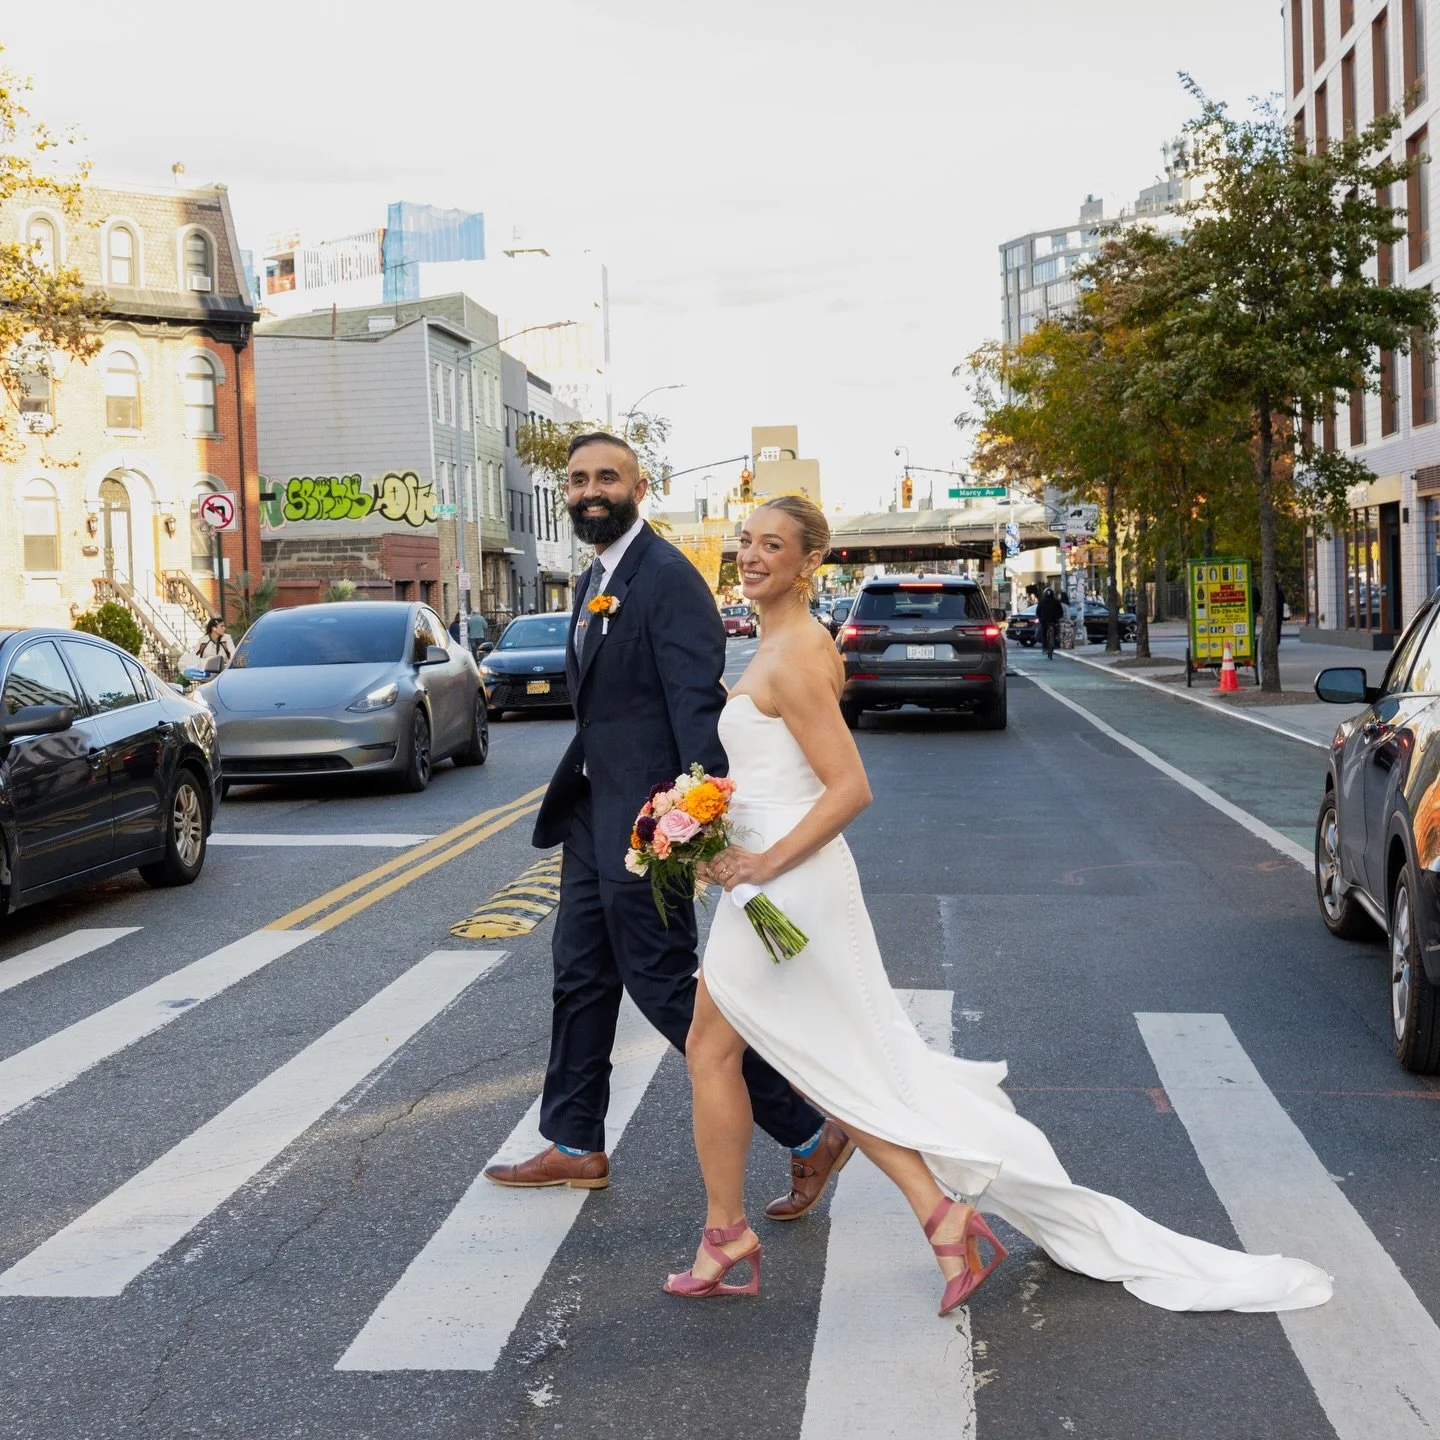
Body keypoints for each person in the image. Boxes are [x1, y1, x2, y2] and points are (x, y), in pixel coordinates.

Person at [664, 493, 1332, 1317]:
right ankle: (880, 1221)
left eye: (774, 544)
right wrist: (702, 822)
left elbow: (849, 788)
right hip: (771, 878)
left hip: (783, 881)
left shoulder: (796, 654)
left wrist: (760, 857)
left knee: (762, 1053)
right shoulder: (782, 643)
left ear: (810, 562)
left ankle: (755, 1233)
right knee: (793, 1054)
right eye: (747, 540)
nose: (753, 554)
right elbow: (781, 775)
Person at [485, 434, 852, 1216]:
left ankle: (807, 1130)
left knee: (662, 986)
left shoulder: (667, 578)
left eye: (607, 477)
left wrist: (690, 823)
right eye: (578, 479)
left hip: (648, 823)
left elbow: (696, 711)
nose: (591, 490)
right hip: (593, 814)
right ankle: (574, 1142)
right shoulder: (597, 575)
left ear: (639, 487)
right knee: (580, 977)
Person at [1036, 586, 1063, 658]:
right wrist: (1058, 618)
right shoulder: (1056, 601)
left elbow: (1037, 612)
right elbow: (1061, 612)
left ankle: (1044, 648)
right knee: (1056, 632)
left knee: (1044, 634)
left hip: (1044, 621)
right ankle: (1055, 642)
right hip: (1054, 620)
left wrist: (1040, 618)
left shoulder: (1041, 601)